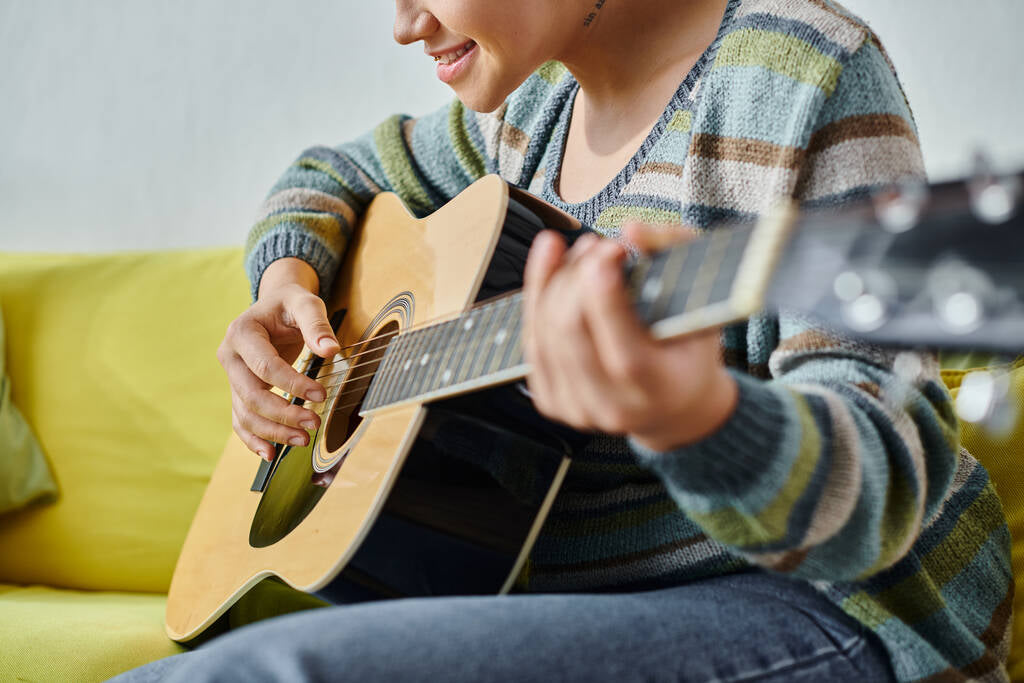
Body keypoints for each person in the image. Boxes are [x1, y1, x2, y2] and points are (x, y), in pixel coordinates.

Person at [113, 0, 1012, 681]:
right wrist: (284, 284)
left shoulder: (801, 72)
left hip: (834, 613)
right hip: (566, 603)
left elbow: (887, 485)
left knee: (275, 671)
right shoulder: (526, 108)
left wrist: (697, 419)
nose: (403, 23)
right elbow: (329, 172)